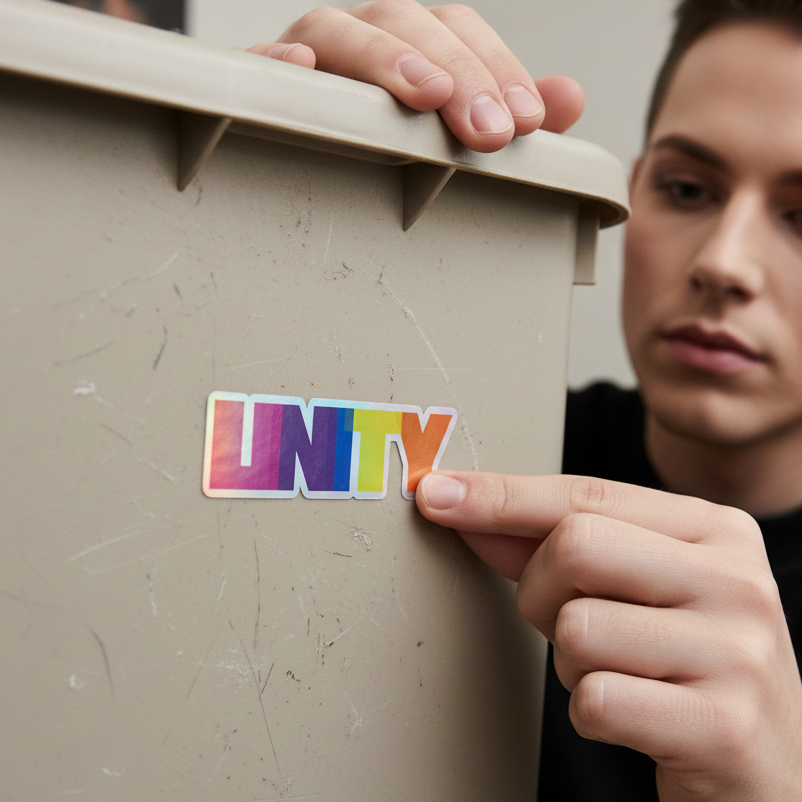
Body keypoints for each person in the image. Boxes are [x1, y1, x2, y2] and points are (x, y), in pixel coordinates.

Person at [250, 2, 802, 799]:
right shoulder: (460, 454)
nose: (724, 263)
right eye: (687, 189)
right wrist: (244, 181)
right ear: (632, 193)